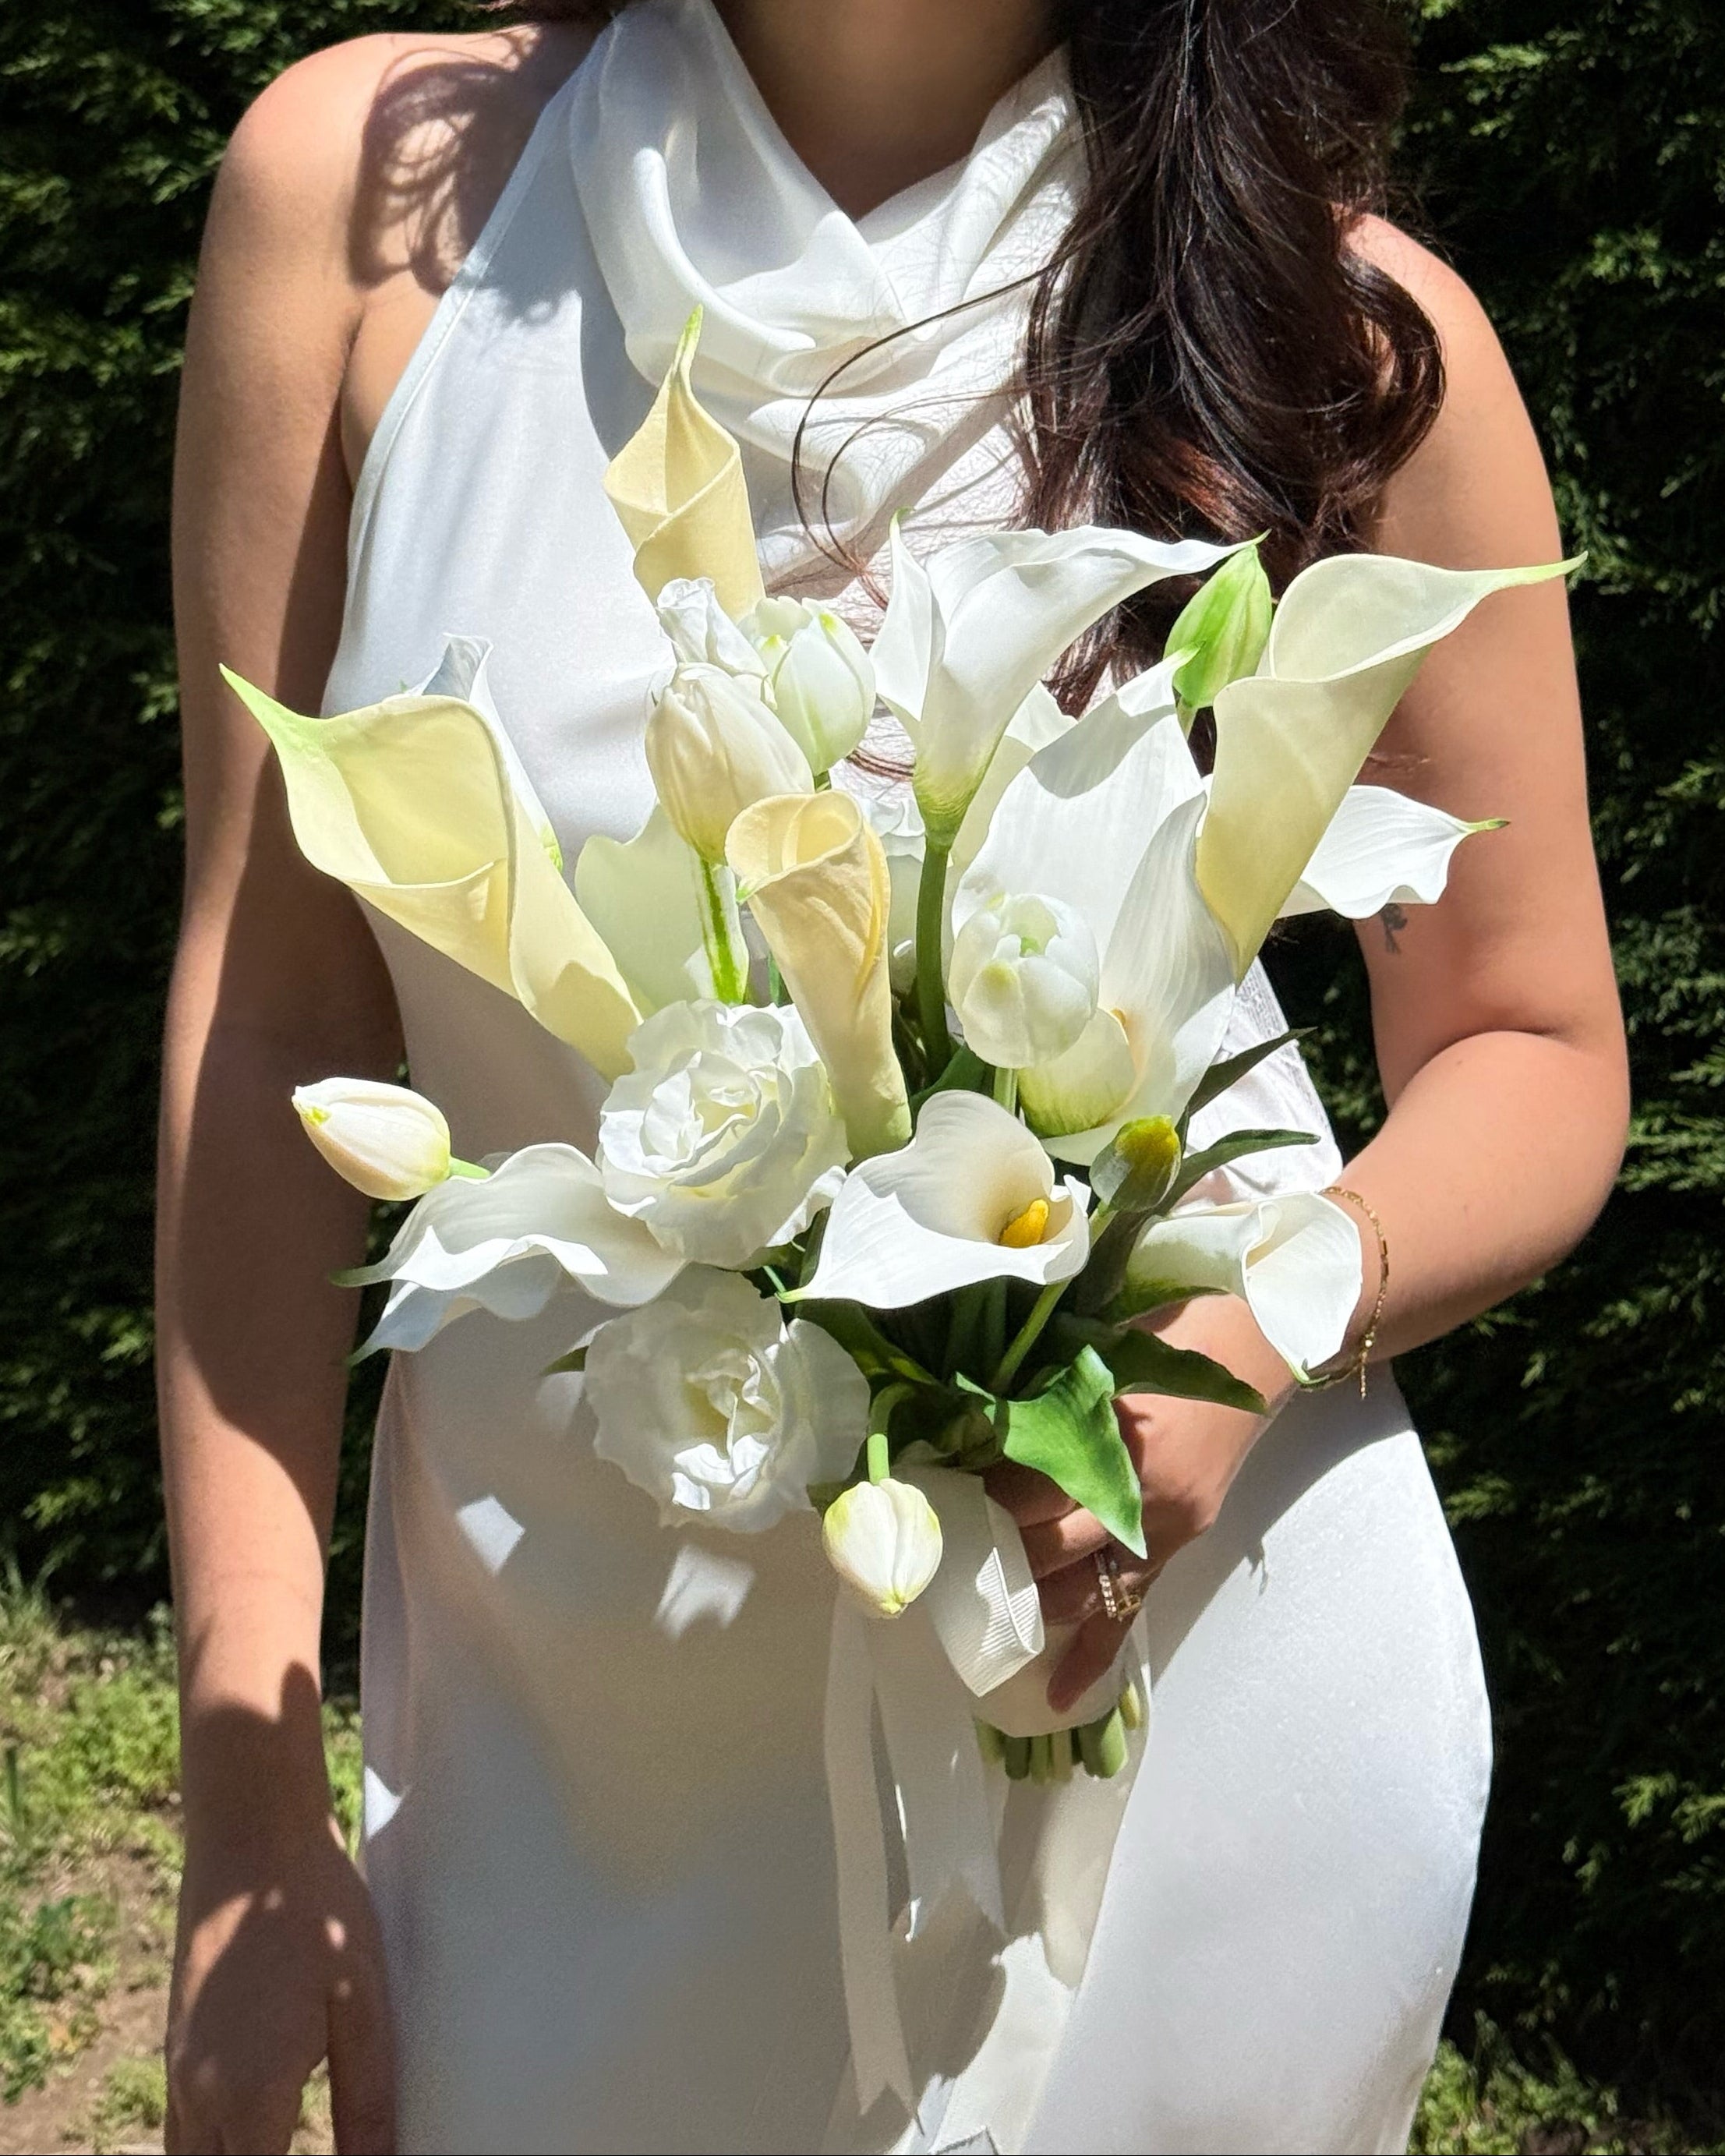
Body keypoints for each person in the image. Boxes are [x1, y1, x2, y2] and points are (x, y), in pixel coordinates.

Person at [159, 2, 1629, 2150]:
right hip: (573, 1748)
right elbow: (270, 1027)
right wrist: (247, 1806)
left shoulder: (1342, 323)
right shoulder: (367, 216)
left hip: (1189, 1702)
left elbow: (1533, 1039)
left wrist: (1248, 1332)